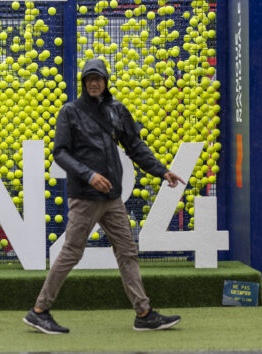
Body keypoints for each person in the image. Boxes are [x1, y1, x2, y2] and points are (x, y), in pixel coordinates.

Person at [23, 58, 187, 334]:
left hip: (112, 198)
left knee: (127, 252)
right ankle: (39, 310)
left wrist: (162, 171)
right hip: (85, 197)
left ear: (105, 81)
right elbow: (60, 152)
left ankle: (144, 313)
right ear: (83, 83)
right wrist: (88, 175)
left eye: (98, 78)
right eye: (89, 79)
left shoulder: (117, 111)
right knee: (72, 253)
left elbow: (135, 146)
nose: (94, 83)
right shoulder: (70, 112)